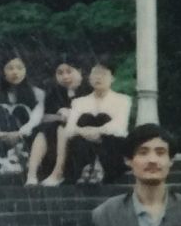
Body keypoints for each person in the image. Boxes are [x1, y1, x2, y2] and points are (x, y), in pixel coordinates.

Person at [49, 62, 132, 190]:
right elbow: (70, 129)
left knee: (104, 119)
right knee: (85, 119)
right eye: (95, 74)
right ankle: (87, 168)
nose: (98, 77)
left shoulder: (123, 100)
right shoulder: (79, 102)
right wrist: (84, 132)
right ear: (89, 78)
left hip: (110, 145)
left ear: (112, 78)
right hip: (84, 146)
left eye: (103, 74)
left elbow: (120, 127)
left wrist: (97, 132)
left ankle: (99, 167)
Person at [0, 54, 43, 180]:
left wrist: (19, 133)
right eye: (10, 68)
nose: (15, 72)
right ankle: (4, 160)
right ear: (3, 71)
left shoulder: (37, 93)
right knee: (1, 110)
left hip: (25, 137)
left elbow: (36, 119)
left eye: (19, 68)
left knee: (20, 110)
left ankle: (21, 159)